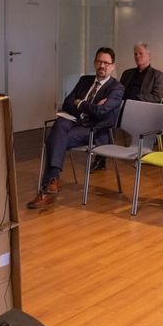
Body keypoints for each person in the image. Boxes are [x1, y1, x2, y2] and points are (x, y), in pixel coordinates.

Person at [29, 47, 124, 209]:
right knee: (59, 124)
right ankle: (52, 182)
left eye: (106, 63)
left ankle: (48, 187)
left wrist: (80, 103)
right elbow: (67, 103)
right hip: (74, 120)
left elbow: (101, 113)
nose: (102, 66)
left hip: (94, 129)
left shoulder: (116, 88)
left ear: (113, 66)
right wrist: (88, 107)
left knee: (54, 139)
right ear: (94, 63)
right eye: (99, 62)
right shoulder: (85, 80)